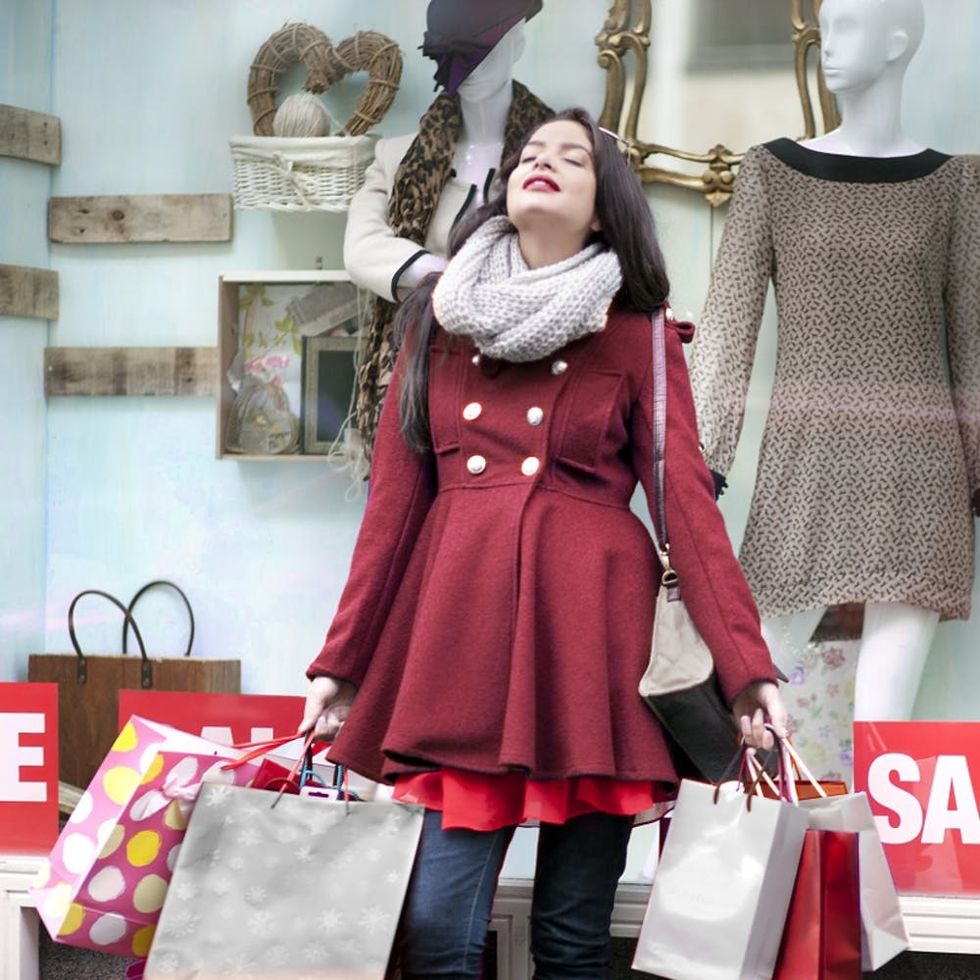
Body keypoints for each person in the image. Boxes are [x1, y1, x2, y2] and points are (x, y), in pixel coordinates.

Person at [302, 107, 787, 979]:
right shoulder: (435, 320)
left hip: (592, 641)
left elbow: (687, 513)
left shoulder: (637, 331)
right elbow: (392, 514)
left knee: (571, 939)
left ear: (605, 209)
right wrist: (341, 665)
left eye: (574, 158)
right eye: (531, 153)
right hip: (462, 637)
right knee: (437, 935)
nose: (544, 163)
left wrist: (747, 672)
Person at [689, 0, 980, 724]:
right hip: (804, 469)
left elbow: (973, 342)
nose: (826, 43)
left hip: (920, 480)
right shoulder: (772, 173)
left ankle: (880, 844)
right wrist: (701, 458)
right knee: (753, 709)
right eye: (825, 26)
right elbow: (728, 324)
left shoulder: (953, 187)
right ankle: (737, 840)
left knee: (885, 729)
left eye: (848, 25)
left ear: (900, 40)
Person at [344, 0, 551, 463]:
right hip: (423, 378)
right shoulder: (396, 158)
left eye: (487, 46)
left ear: (518, 42)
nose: (473, 67)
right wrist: (444, 275)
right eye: (460, 52)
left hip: (528, 382)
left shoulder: (559, 158)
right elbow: (361, 248)